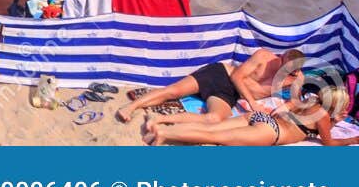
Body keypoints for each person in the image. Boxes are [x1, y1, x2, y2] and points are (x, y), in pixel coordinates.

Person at [115, 48, 303, 124]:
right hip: (221, 75)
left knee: (215, 118)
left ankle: (159, 119)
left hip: (229, 94)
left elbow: (296, 102)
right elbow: (237, 76)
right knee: (173, 91)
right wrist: (253, 103)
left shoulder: (296, 79)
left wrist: (286, 106)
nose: (288, 73)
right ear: (281, 58)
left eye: (293, 72)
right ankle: (130, 107)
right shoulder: (263, 57)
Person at [145, 87, 356, 147]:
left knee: (214, 128)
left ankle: (159, 122)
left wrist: (335, 119)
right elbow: (329, 142)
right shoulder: (323, 117)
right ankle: (163, 133)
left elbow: (294, 110)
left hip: (259, 118)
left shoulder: (310, 102)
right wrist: (353, 140)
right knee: (213, 137)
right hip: (270, 132)